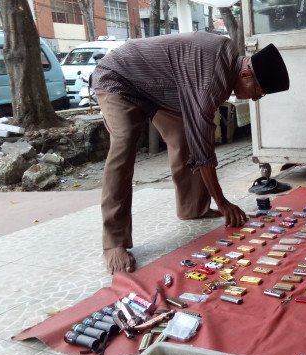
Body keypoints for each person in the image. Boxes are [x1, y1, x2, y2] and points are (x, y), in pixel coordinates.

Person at [90, 32, 290, 274]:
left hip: (158, 89)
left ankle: (193, 208)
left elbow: (196, 139)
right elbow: (203, 150)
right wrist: (223, 202)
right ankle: (113, 242)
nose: (255, 99)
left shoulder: (225, 63)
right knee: (124, 144)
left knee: (183, 137)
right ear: (246, 75)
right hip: (118, 77)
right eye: (258, 93)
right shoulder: (212, 81)